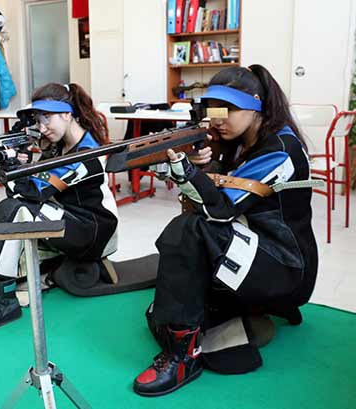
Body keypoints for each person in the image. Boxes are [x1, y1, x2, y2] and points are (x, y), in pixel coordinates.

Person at [133, 65, 318, 396]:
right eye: (213, 110)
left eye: (228, 109)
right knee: (164, 307)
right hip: (258, 250)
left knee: (190, 230)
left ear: (256, 105)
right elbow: (223, 187)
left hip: (285, 265)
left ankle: (182, 357)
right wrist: (204, 164)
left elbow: (221, 209)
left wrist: (187, 171)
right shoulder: (242, 140)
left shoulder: (280, 149)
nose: (218, 120)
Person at [0, 82, 119, 334]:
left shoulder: (85, 155)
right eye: (38, 120)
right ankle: (5, 288)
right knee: (16, 206)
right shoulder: (59, 147)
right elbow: (32, 185)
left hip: (92, 230)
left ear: (66, 114)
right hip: (69, 218)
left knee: (15, 209)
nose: (42, 128)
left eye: (48, 119)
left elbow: (35, 192)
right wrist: (17, 163)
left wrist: (9, 165)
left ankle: (3, 299)